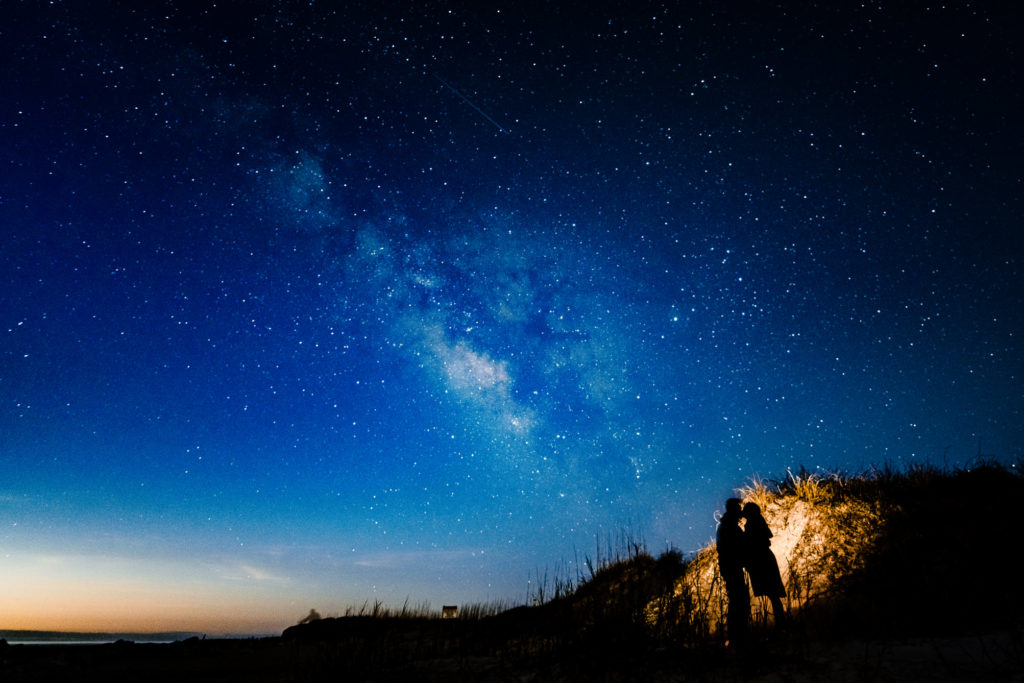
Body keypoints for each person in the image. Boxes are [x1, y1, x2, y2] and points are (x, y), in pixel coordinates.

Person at [741, 502, 787, 625]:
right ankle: (781, 622)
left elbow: (753, 543)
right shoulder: (758, 521)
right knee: (773, 594)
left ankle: (781, 623)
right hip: (764, 559)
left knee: (772, 593)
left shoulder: (753, 524)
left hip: (762, 560)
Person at [716, 497, 749, 644]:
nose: (740, 512)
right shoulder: (729, 526)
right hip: (731, 566)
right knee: (739, 600)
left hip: (729, 566)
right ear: (733, 510)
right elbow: (736, 546)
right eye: (738, 509)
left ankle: (737, 636)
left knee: (737, 599)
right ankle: (737, 637)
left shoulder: (726, 525)